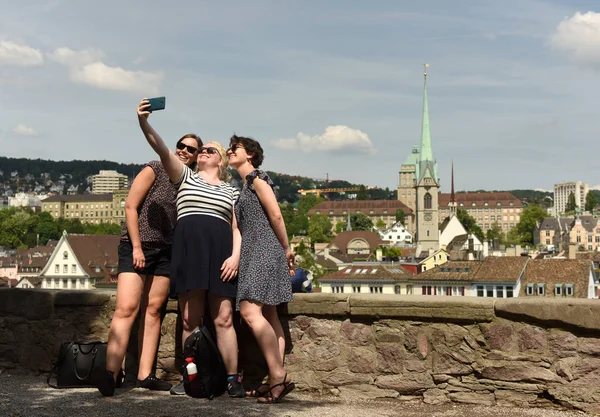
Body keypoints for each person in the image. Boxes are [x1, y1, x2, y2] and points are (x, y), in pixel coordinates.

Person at [136, 99, 245, 398]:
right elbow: (160, 149)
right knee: (189, 320)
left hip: (222, 254)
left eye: (208, 150)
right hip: (190, 252)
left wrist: (236, 256)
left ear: (219, 160)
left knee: (223, 318)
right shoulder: (185, 177)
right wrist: (144, 122)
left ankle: (232, 378)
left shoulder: (230, 191)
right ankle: (191, 379)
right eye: (201, 150)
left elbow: (237, 229)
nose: (201, 153)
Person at [95, 133, 201, 397]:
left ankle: (145, 375)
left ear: (197, 156)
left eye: (191, 149)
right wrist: (138, 247)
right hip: (137, 247)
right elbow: (130, 207)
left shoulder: (189, 183)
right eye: (181, 146)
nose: (184, 150)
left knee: (154, 310)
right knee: (127, 308)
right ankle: (111, 373)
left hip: (166, 252)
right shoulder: (155, 168)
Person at [226, 135, 296, 404]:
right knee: (269, 314)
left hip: (265, 251)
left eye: (236, 148)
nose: (231, 151)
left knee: (249, 311)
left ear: (251, 155)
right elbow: (239, 229)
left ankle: (278, 375)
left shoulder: (257, 179)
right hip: (256, 253)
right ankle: (275, 379)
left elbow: (276, 214)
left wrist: (287, 248)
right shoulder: (244, 187)